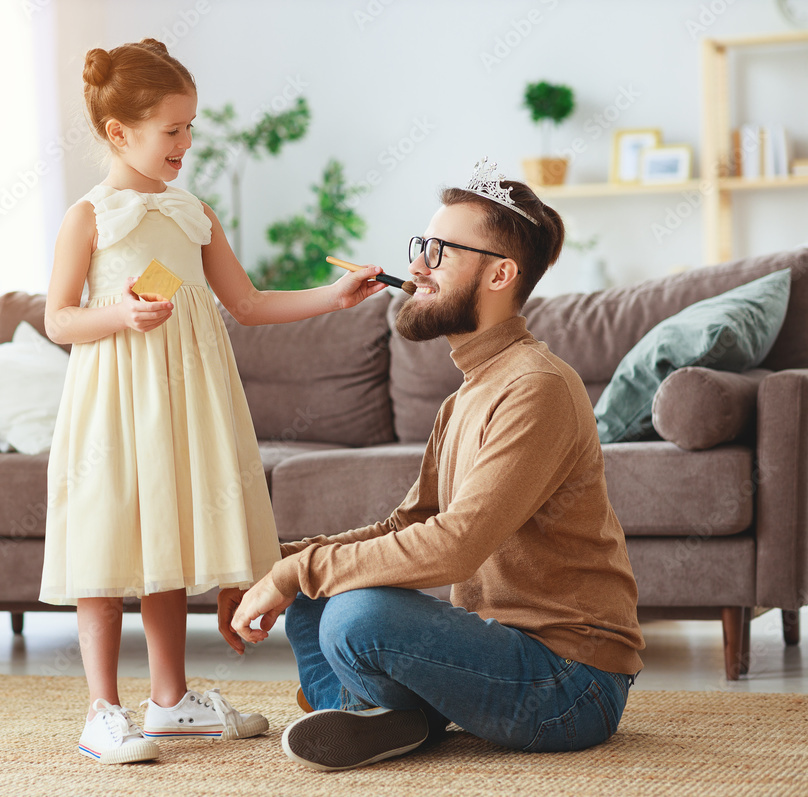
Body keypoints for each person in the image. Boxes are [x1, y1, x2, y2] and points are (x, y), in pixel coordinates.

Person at [224, 159, 646, 772]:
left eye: (441, 252)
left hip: (570, 684)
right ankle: (386, 719)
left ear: (501, 273)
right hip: (496, 652)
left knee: (354, 610)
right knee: (320, 590)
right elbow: (407, 525)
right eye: (422, 245)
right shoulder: (466, 393)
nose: (418, 266)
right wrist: (282, 560)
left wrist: (303, 570)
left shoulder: (537, 386)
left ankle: (390, 715)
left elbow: (454, 547)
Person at [39, 39, 386, 765]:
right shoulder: (90, 217)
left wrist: (335, 295)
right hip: (113, 403)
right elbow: (58, 319)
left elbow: (249, 302)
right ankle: (102, 711)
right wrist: (119, 317)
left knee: (164, 540)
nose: (186, 143)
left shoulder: (193, 213)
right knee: (106, 538)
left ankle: (169, 701)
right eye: (172, 130)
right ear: (118, 132)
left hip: (185, 404)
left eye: (191, 127)